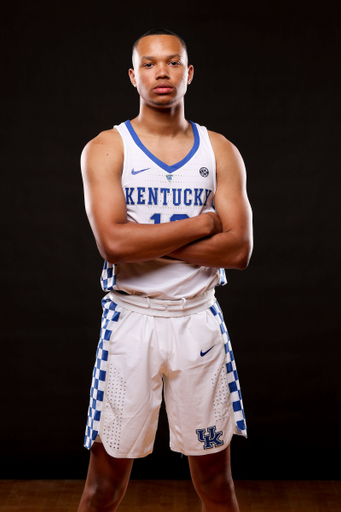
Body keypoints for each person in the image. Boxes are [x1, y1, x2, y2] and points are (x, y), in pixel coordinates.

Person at [78, 28, 253, 512]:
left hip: (198, 320)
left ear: (188, 74)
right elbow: (113, 243)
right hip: (131, 322)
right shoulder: (107, 148)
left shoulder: (219, 151)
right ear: (134, 77)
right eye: (150, 64)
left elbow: (238, 250)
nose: (162, 72)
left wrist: (144, 242)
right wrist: (201, 225)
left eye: (173, 62)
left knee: (218, 486)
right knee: (103, 488)